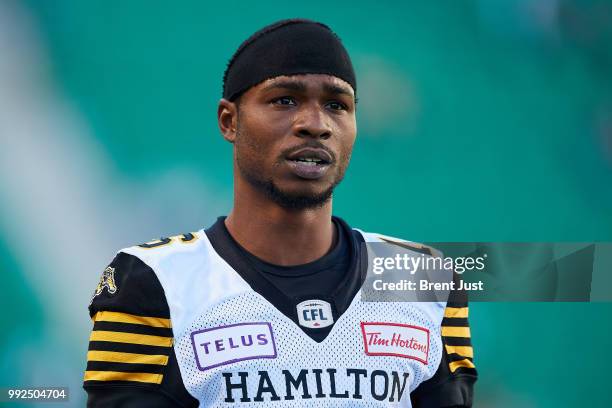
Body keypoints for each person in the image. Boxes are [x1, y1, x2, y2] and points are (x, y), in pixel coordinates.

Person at [83, 18, 477, 407]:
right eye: (285, 100)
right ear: (229, 121)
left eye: (337, 105)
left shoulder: (424, 279)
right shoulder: (153, 281)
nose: (315, 124)